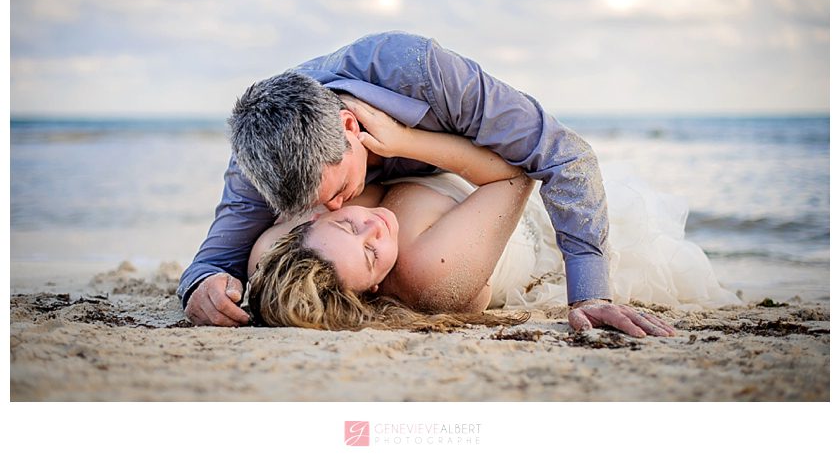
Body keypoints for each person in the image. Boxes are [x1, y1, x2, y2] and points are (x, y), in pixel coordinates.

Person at [178, 31, 657, 335]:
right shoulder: (260, 155)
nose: (334, 207)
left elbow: (564, 156)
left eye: (337, 191)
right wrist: (202, 287)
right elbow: (218, 253)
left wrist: (591, 295)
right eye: (316, 208)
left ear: (350, 127)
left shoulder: (421, 74)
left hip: (473, 184)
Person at [245, 103, 679, 336]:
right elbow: (516, 173)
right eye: (372, 253)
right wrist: (405, 143)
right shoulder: (431, 270)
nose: (374, 226)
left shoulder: (280, 255)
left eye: (345, 225)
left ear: (309, 223)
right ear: (374, 287)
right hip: (514, 214)